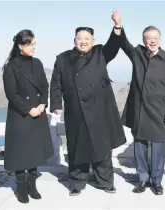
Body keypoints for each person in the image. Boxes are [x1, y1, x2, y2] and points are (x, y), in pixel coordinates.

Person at [49, 11, 126, 196]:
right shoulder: (63, 58)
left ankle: (105, 182)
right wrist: (56, 104)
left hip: (100, 111)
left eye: (87, 38)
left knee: (102, 148)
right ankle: (76, 183)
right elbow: (56, 82)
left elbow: (114, 44)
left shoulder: (100, 52)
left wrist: (117, 25)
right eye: (79, 38)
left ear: (92, 40)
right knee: (77, 147)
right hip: (76, 110)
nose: (83, 41)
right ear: (74, 40)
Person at [117, 14, 165, 195]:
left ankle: (157, 181)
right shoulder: (137, 53)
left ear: (160, 40)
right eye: (148, 38)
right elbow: (123, 42)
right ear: (144, 40)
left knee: (159, 147)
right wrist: (119, 25)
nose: (152, 41)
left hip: (159, 110)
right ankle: (143, 179)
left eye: (155, 38)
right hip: (139, 109)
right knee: (140, 146)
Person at [2, 29, 54, 204]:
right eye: (30, 44)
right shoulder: (11, 67)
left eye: (34, 44)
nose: (33, 48)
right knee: (20, 152)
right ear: (20, 46)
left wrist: (41, 104)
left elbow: (44, 86)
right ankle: (21, 186)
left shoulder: (37, 63)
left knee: (34, 150)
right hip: (20, 115)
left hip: (38, 113)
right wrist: (28, 109)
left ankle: (32, 184)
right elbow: (12, 94)